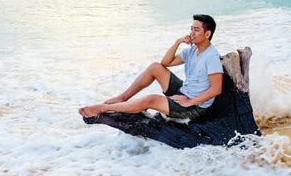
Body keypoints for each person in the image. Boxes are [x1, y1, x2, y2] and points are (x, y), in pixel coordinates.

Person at [78, 14, 223, 119]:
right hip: (184, 91)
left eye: (196, 30)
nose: (191, 33)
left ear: (207, 33)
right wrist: (178, 41)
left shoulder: (211, 57)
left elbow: (216, 89)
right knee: (155, 67)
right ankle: (122, 98)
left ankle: (103, 108)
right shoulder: (192, 50)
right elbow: (165, 63)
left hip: (195, 106)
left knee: (150, 100)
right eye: (191, 28)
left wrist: (189, 101)